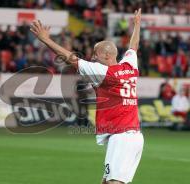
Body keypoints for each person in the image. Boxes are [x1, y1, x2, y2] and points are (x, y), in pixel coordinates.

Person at [30, 9, 143, 184]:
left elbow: (72, 59)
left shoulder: (103, 72)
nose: (92, 57)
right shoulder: (130, 65)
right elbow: (133, 46)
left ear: (106, 56)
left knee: (113, 182)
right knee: (106, 181)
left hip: (122, 137)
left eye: (95, 54)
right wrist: (137, 25)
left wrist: (45, 40)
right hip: (130, 136)